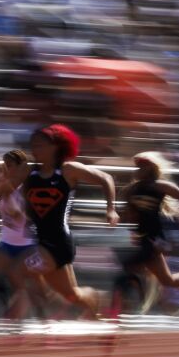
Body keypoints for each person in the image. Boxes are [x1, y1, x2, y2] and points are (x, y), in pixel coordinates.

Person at [20, 123, 118, 321]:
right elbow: (29, 205)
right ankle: (101, 299)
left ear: (55, 147)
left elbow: (106, 178)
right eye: (33, 145)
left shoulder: (68, 169)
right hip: (42, 241)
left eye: (40, 145)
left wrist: (111, 209)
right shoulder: (31, 174)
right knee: (72, 295)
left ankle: (40, 316)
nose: (34, 149)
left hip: (58, 242)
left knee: (23, 269)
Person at [109, 152, 179, 318]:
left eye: (142, 166)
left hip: (155, 239)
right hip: (141, 238)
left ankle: (122, 307)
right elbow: (129, 215)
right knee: (168, 281)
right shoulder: (132, 189)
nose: (138, 169)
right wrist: (120, 215)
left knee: (129, 267)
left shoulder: (160, 186)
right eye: (138, 166)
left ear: (151, 168)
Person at [0, 149, 47, 331]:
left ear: (21, 167)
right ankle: (9, 302)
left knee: (23, 282)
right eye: (4, 165)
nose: (6, 169)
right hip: (8, 243)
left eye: (9, 165)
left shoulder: (29, 187)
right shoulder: (6, 184)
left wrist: (6, 190)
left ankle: (40, 318)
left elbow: (17, 215)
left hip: (28, 244)